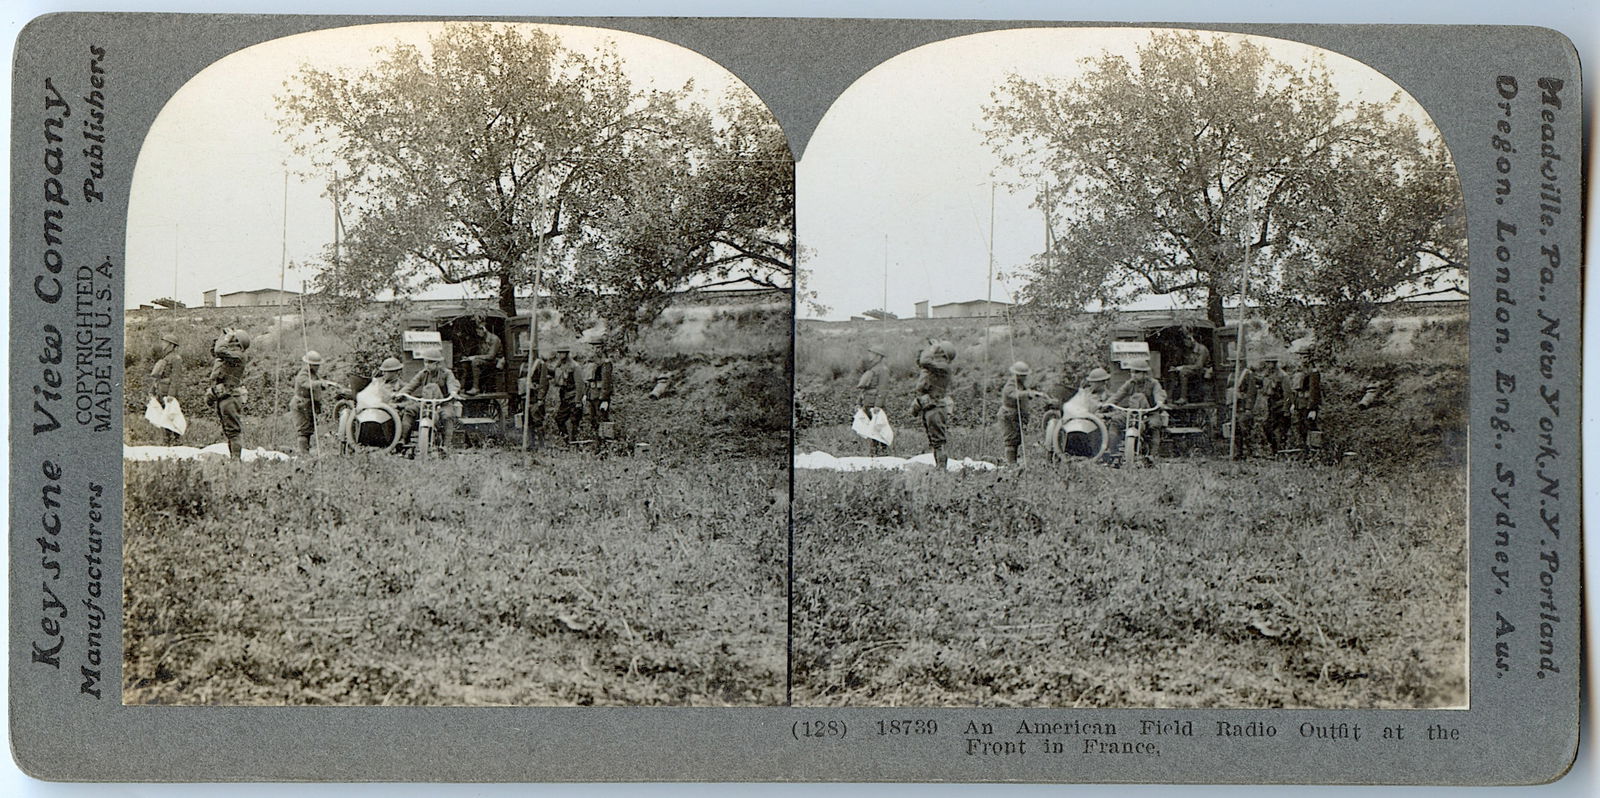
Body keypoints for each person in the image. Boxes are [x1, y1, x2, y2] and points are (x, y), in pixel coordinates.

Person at [291, 351, 352, 454]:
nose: (318, 367)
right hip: (301, 404)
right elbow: (308, 384)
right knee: (303, 431)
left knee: (309, 429)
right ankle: (304, 454)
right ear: (310, 364)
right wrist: (322, 383)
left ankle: (306, 451)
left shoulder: (313, 374)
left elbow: (318, 383)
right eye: (316, 365)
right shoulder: (303, 374)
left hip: (309, 404)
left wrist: (329, 384)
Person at [400, 351, 462, 451]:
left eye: (430, 362)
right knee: (409, 410)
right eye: (425, 362)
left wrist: (453, 392)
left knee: (448, 415)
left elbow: (452, 384)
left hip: (443, 403)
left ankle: (446, 446)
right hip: (426, 403)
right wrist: (401, 393)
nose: (427, 365)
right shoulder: (423, 374)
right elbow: (411, 385)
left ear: (437, 364)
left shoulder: (446, 373)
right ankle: (403, 440)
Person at [1104, 358, 1166, 456]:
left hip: (1150, 412)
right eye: (1132, 372)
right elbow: (1119, 394)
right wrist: (1107, 404)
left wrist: (1159, 402)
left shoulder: (1153, 383)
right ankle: (1113, 452)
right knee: (1115, 421)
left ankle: (1153, 455)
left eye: (1136, 372)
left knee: (1154, 425)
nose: (1133, 374)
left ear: (1144, 373)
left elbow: (1158, 393)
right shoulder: (1130, 383)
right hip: (1133, 412)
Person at [910, 337, 955, 470]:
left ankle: (941, 469)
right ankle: (939, 468)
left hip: (936, 407)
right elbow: (920, 361)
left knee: (938, 442)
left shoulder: (943, 367)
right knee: (934, 441)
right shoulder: (936, 367)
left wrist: (931, 349)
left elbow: (924, 361)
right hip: (929, 406)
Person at [207, 328, 251, 459]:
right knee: (229, 431)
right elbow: (215, 351)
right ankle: (234, 459)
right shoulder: (230, 356)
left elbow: (219, 350)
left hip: (230, 397)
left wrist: (226, 339)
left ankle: (236, 460)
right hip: (223, 395)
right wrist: (222, 337)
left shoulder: (238, 356)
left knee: (233, 432)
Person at [997, 361, 1051, 464]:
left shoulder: (1020, 384)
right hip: (1008, 415)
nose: (1024, 377)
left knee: (1016, 439)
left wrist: (1035, 394)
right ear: (1017, 375)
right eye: (1022, 376)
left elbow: (1024, 394)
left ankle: (1013, 462)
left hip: (1016, 415)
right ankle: (1011, 464)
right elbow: (1014, 394)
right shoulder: (1011, 384)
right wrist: (1028, 393)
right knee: (1010, 441)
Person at [147, 333, 182, 445]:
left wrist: (171, 394)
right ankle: (167, 440)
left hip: (168, 393)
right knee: (163, 415)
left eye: (165, 342)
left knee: (172, 415)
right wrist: (152, 390)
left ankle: (176, 441)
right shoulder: (166, 357)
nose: (163, 344)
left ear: (171, 345)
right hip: (160, 390)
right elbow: (158, 377)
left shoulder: (176, 359)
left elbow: (176, 378)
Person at [855, 347, 888, 456]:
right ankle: (874, 454)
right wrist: (859, 402)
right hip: (868, 401)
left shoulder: (883, 369)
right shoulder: (874, 368)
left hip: (874, 404)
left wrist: (878, 405)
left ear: (878, 356)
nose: (870, 355)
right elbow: (865, 389)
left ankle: (881, 454)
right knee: (871, 429)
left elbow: (882, 389)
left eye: (872, 353)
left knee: (878, 429)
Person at [1258, 355, 1293, 454]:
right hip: (1272, 405)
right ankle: (1274, 450)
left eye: (1270, 362)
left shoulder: (1282, 376)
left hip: (1281, 406)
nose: (1268, 365)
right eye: (1267, 362)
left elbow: (1288, 393)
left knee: (1281, 431)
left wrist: (1286, 409)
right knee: (1267, 427)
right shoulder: (1268, 374)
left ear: (1275, 363)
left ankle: (1281, 451)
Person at [583, 343, 615, 449]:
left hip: (600, 397)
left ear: (602, 349)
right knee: (593, 420)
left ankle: (605, 446)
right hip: (592, 395)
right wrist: (585, 394)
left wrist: (605, 399)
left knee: (602, 420)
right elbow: (589, 381)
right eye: (593, 347)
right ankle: (597, 444)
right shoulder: (592, 363)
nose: (595, 350)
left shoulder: (606, 363)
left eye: (598, 347)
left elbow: (607, 382)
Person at [1229, 356, 1261, 459]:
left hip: (1243, 406)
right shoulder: (1232, 375)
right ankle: (1239, 452)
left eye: (1234, 361)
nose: (1232, 364)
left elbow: (1251, 392)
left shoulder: (1247, 374)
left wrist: (1248, 408)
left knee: (1245, 428)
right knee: (1235, 429)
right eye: (1231, 362)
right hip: (1235, 406)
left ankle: (1252, 452)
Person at [462, 319, 502, 395]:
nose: (478, 333)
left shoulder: (494, 339)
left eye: (479, 331)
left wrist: (474, 357)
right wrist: (468, 357)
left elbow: (491, 356)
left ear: (484, 329)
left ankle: (475, 388)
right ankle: (463, 387)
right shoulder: (481, 339)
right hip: (486, 361)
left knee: (475, 362)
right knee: (465, 363)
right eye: (477, 331)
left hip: (495, 362)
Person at [551, 346, 582, 444]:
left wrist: (578, 401)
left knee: (574, 421)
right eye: (559, 353)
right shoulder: (560, 365)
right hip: (565, 397)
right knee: (559, 419)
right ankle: (566, 440)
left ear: (567, 353)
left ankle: (574, 443)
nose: (560, 355)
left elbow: (579, 384)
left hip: (573, 397)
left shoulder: (575, 366)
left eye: (562, 353)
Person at [522, 348, 552, 448]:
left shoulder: (540, 364)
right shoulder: (524, 365)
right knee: (528, 421)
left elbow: (544, 383)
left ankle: (542, 445)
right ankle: (531, 444)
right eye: (524, 351)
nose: (524, 354)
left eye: (526, 351)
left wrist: (540, 398)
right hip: (526, 397)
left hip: (535, 397)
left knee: (537, 420)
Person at [1172, 329, 1211, 404]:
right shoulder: (1188, 350)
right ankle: (1171, 397)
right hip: (1193, 371)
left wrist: (1183, 367)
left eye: (1186, 341)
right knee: (1173, 372)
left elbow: (1199, 366)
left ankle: (1183, 398)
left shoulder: (1202, 349)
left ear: (1191, 340)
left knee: (1183, 373)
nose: (1185, 344)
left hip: (1203, 372)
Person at [1291, 361, 1323, 450]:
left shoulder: (1313, 372)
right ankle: (1304, 450)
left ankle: (1316, 451)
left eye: (1305, 356)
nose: (1302, 359)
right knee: (1301, 428)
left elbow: (1314, 390)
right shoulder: (1300, 370)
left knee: (1311, 426)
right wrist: (1294, 403)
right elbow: (1295, 390)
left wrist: (1312, 408)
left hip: (1308, 404)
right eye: (1301, 357)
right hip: (1300, 404)